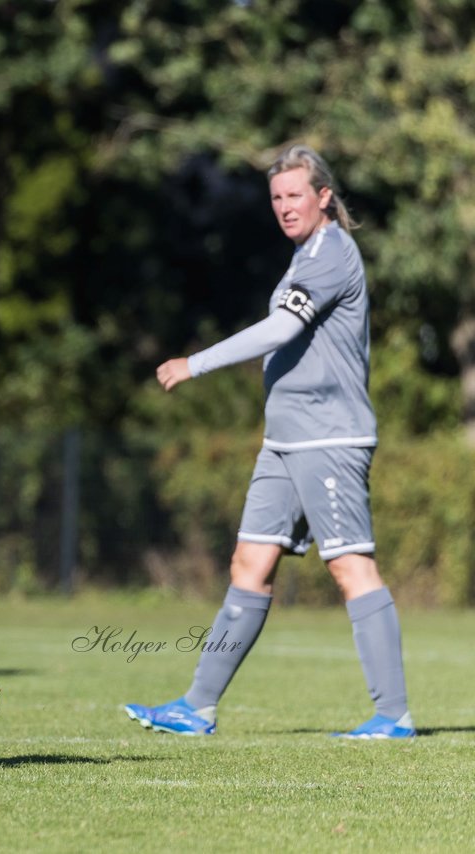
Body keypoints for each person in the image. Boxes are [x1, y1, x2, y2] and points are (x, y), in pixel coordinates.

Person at [125, 144, 414, 739]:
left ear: (323, 197)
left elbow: (284, 327)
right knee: (249, 563)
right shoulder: (304, 252)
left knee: (350, 567)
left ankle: (394, 715)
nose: (285, 206)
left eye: (295, 195)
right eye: (277, 197)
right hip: (284, 441)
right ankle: (196, 707)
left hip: (329, 439)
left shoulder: (331, 253)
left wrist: (195, 363)